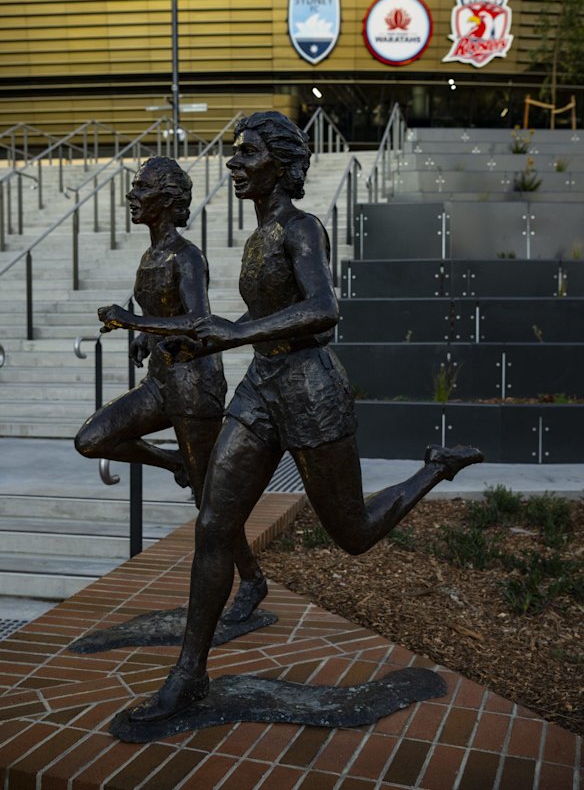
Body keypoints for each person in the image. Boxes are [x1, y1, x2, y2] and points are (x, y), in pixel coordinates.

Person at [99, 113, 483, 723]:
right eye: (234, 153)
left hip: (311, 389)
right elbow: (238, 327)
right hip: (261, 390)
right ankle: (189, 674)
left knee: (352, 534)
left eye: (247, 153)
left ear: (279, 163)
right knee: (214, 527)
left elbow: (325, 310)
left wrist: (234, 334)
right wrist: (192, 337)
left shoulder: (300, 229)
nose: (234, 164)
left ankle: (435, 469)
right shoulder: (257, 237)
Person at [76, 155, 268, 624]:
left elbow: (201, 322)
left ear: (166, 200)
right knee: (93, 438)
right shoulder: (150, 254)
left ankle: (253, 579)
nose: (132, 196)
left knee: (211, 503)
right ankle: (173, 461)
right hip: (161, 382)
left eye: (141, 188)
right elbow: (171, 315)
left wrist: (133, 321)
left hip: (195, 389)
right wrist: (147, 335)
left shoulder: (187, 255)